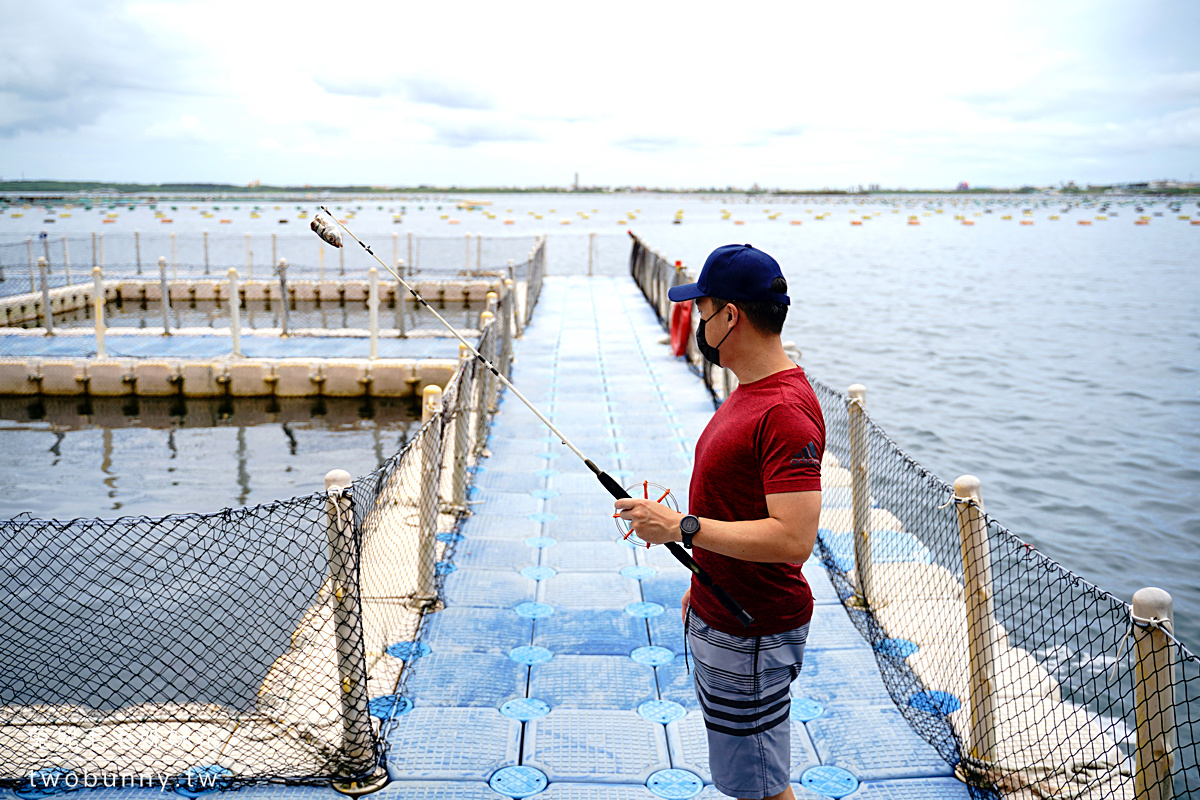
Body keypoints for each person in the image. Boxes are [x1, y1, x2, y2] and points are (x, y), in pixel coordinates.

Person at [614, 243, 824, 800]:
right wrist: (699, 583)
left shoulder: (782, 411)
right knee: (748, 772)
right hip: (722, 610)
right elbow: (737, 507)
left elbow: (794, 538)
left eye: (703, 311)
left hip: (752, 629)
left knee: (759, 785)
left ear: (730, 315)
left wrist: (682, 528)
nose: (698, 323)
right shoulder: (751, 391)